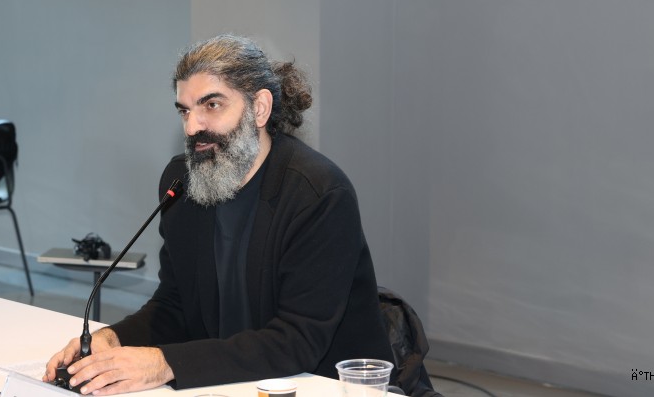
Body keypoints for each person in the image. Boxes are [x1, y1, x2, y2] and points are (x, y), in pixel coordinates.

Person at [44, 34, 395, 395]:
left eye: (211, 105)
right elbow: (175, 305)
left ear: (260, 108)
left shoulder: (318, 193)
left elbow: (297, 341)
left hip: (325, 386)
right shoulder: (182, 182)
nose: (192, 127)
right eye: (184, 110)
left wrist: (165, 363)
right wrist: (113, 338)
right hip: (229, 382)